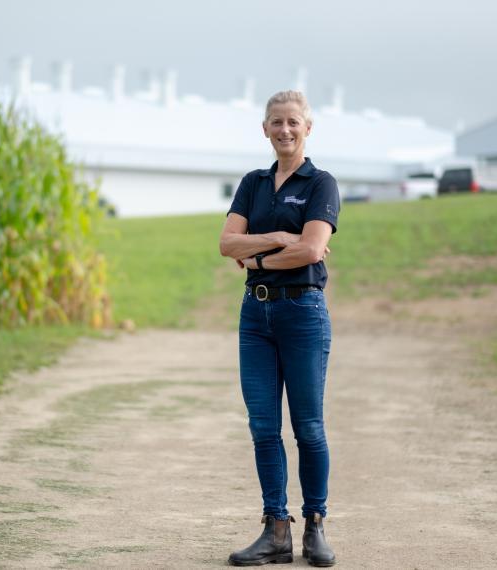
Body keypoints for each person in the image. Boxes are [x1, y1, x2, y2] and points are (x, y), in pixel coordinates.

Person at [219, 90, 339, 567]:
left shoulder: (321, 184)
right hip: (256, 316)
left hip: (303, 313)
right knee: (263, 426)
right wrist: (278, 238)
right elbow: (227, 243)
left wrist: (258, 256)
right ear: (264, 129)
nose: (284, 130)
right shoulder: (252, 182)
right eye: (276, 122)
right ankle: (275, 530)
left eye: (293, 122)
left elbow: (311, 250)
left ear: (307, 128)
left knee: (308, 426)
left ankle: (315, 526)